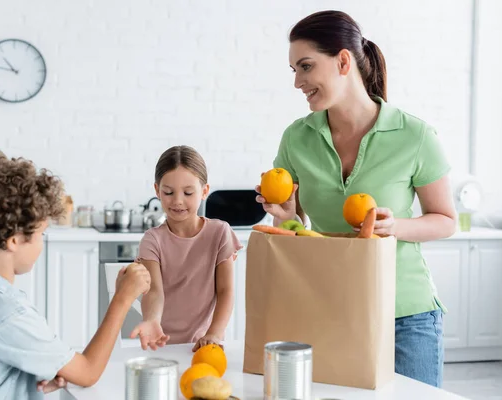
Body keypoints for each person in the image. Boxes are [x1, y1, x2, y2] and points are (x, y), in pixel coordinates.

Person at [256, 11, 457, 387]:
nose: (298, 81)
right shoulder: (296, 138)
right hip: (330, 307)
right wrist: (283, 217)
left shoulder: (414, 134)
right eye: (293, 70)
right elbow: (296, 231)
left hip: (405, 315)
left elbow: (445, 220)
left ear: (343, 61)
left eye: (305, 66)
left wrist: (393, 225)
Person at [0, 150, 151, 399]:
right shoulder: (6, 313)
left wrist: (28, 376)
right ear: (14, 241)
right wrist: (122, 298)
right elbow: (88, 372)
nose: (41, 244)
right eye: (40, 234)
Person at [131, 145, 243, 352]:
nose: (178, 201)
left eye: (188, 192)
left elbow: (226, 291)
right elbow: (154, 291)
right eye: (168, 192)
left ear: (204, 191)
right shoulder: (152, 239)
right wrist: (151, 320)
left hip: (205, 345)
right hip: (163, 345)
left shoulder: (219, 232)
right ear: (157, 191)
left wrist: (214, 334)